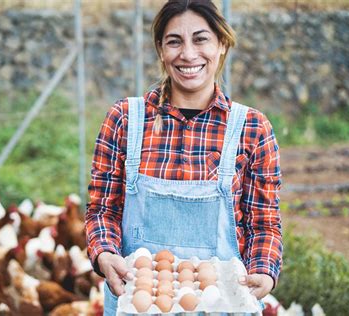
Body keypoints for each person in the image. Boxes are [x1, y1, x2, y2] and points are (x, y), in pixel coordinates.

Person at [85, 0, 282, 314]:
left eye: (201, 39)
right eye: (174, 41)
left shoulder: (252, 128)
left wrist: (263, 269)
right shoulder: (125, 120)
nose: (188, 54)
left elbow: (264, 224)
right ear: (161, 51)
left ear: (222, 44)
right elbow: (102, 211)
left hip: (224, 305)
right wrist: (104, 254)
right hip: (138, 302)